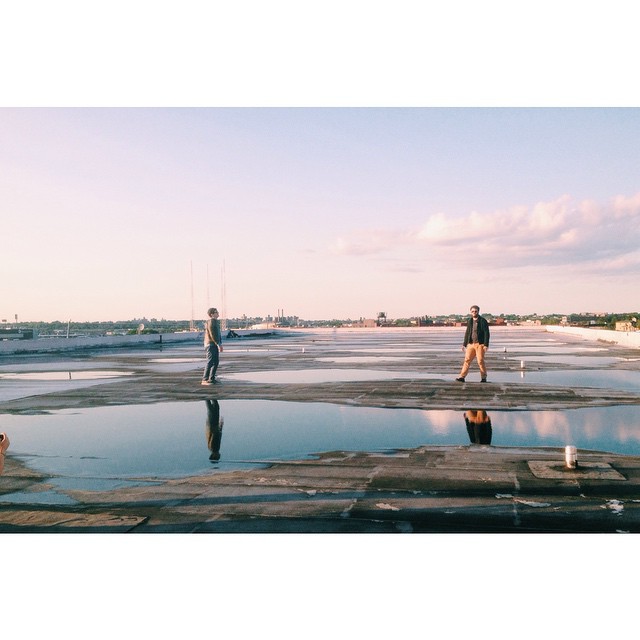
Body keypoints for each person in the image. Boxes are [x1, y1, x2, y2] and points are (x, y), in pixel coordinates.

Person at [456, 304, 490, 382]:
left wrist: (486, 345)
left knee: (480, 361)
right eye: (472, 311)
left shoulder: (483, 321)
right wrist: (464, 344)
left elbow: (486, 333)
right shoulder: (470, 321)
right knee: (467, 360)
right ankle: (462, 377)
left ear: (478, 312)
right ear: (471, 312)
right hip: (471, 344)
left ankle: (483, 377)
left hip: (480, 344)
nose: (474, 312)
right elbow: (467, 333)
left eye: (475, 311)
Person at [202, 307, 223, 385]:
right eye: (216, 312)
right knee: (210, 361)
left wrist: (219, 343)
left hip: (213, 344)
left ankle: (211, 378)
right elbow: (213, 334)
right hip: (211, 344)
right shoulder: (211, 321)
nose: (218, 313)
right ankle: (205, 379)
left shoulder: (214, 322)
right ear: (212, 314)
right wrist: (218, 344)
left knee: (215, 362)